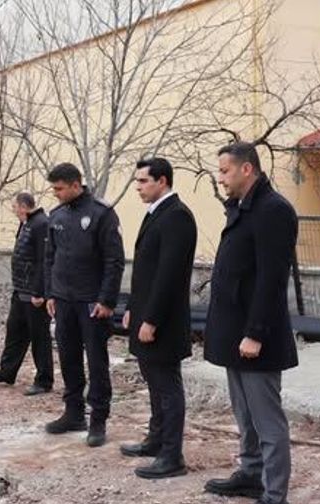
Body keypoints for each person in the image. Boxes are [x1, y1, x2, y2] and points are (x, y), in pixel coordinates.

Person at [203, 142, 298, 504]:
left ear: (247, 169)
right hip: (233, 334)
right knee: (245, 415)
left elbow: (273, 278)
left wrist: (255, 333)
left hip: (256, 337)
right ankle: (251, 474)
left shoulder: (273, 210)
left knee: (268, 422)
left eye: (225, 171)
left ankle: (274, 495)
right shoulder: (243, 208)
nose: (221, 178)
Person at [120, 158, 197, 479]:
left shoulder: (177, 217)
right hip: (146, 316)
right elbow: (147, 273)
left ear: (162, 181)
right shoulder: (157, 214)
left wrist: (150, 319)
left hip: (163, 323)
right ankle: (155, 440)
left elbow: (169, 276)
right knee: (153, 384)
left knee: (167, 387)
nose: (137, 187)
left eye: (143, 181)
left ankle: (171, 455)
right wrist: (133, 310)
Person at [43, 163, 125, 447]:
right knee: (68, 357)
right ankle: (73, 411)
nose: (55, 193)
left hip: (92, 302)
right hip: (64, 300)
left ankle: (98, 419)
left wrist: (106, 300)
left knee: (97, 360)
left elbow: (114, 261)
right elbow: (50, 258)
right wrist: (51, 293)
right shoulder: (57, 216)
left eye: (59, 188)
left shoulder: (101, 214)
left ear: (76, 185)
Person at [0, 192, 54, 396]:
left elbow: (44, 260)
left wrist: (40, 291)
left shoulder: (41, 224)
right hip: (20, 290)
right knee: (14, 331)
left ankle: (44, 380)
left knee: (39, 337)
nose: (13, 211)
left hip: (35, 294)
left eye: (14, 207)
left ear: (24, 206)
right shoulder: (27, 223)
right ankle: (7, 372)